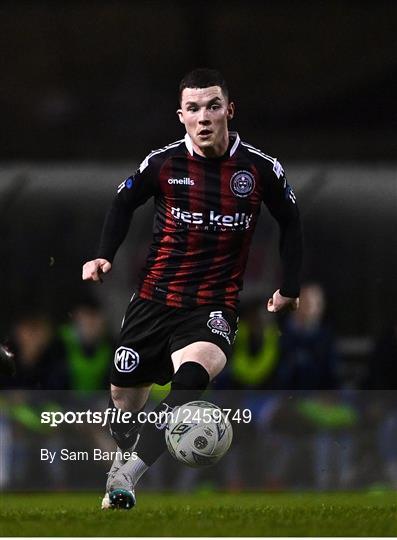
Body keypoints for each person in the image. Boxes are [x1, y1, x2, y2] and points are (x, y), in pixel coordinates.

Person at [82, 68, 303, 509]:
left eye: (213, 106)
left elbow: (290, 221)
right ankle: (120, 458)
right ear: (181, 115)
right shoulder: (163, 164)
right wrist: (104, 253)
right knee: (123, 405)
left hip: (213, 306)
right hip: (152, 301)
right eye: (194, 109)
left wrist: (290, 286)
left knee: (188, 384)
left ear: (229, 110)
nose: (204, 117)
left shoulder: (259, 169)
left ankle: (128, 475)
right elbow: (123, 201)